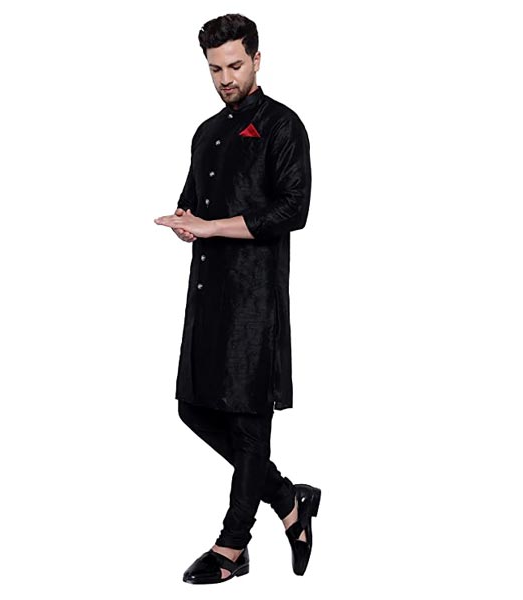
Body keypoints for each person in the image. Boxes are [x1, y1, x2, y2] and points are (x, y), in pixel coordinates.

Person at [154, 13, 321, 584]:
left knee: (249, 426)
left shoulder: (282, 126)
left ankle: (233, 545)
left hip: (254, 300)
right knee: (193, 407)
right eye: (214, 69)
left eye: (234, 65)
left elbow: (292, 210)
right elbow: (193, 201)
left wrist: (212, 227)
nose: (225, 78)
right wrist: (185, 222)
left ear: (256, 60)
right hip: (207, 294)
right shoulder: (206, 132)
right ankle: (289, 500)